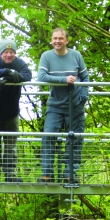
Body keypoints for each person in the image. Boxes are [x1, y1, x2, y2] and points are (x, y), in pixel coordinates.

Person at [38, 27, 89, 183]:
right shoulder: (47, 56)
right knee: (48, 137)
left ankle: (70, 175)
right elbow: (42, 76)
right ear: (51, 41)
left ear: (67, 40)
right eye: (55, 39)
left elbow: (85, 77)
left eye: (60, 38)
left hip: (75, 105)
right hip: (55, 105)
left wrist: (83, 96)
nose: (57, 41)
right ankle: (47, 174)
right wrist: (64, 80)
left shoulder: (76, 55)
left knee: (74, 140)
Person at [0, 40, 32, 183]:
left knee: (11, 147)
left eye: (11, 52)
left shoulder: (20, 63)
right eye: (6, 52)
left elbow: (27, 75)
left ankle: (10, 174)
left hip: (12, 112)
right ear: (1, 53)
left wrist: (7, 77)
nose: (8, 55)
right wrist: (5, 72)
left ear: (15, 53)